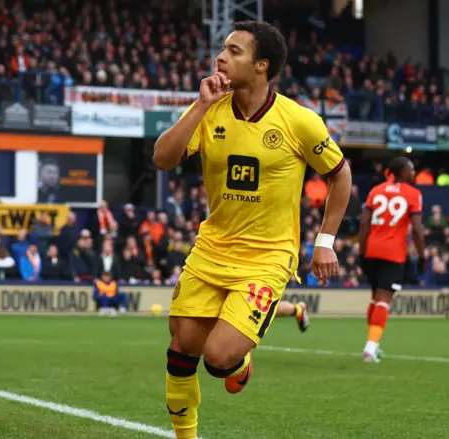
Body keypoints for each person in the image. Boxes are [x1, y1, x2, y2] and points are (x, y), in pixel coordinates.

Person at [152, 21, 352, 439]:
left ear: (262, 66)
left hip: (267, 256)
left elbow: (340, 174)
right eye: (223, 49)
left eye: (234, 51)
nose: (221, 57)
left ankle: (237, 362)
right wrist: (200, 106)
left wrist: (325, 243)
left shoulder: (299, 121)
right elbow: (163, 159)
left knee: (218, 357)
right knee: (180, 349)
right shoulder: (210, 111)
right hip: (211, 249)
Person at [358, 156, 425, 363]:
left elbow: (364, 224)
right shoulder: (413, 194)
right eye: (411, 170)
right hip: (393, 252)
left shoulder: (376, 190)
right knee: (384, 300)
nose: (413, 174)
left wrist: (362, 252)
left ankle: (372, 343)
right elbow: (416, 229)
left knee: (375, 298)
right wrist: (422, 255)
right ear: (401, 172)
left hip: (371, 250)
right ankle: (371, 348)